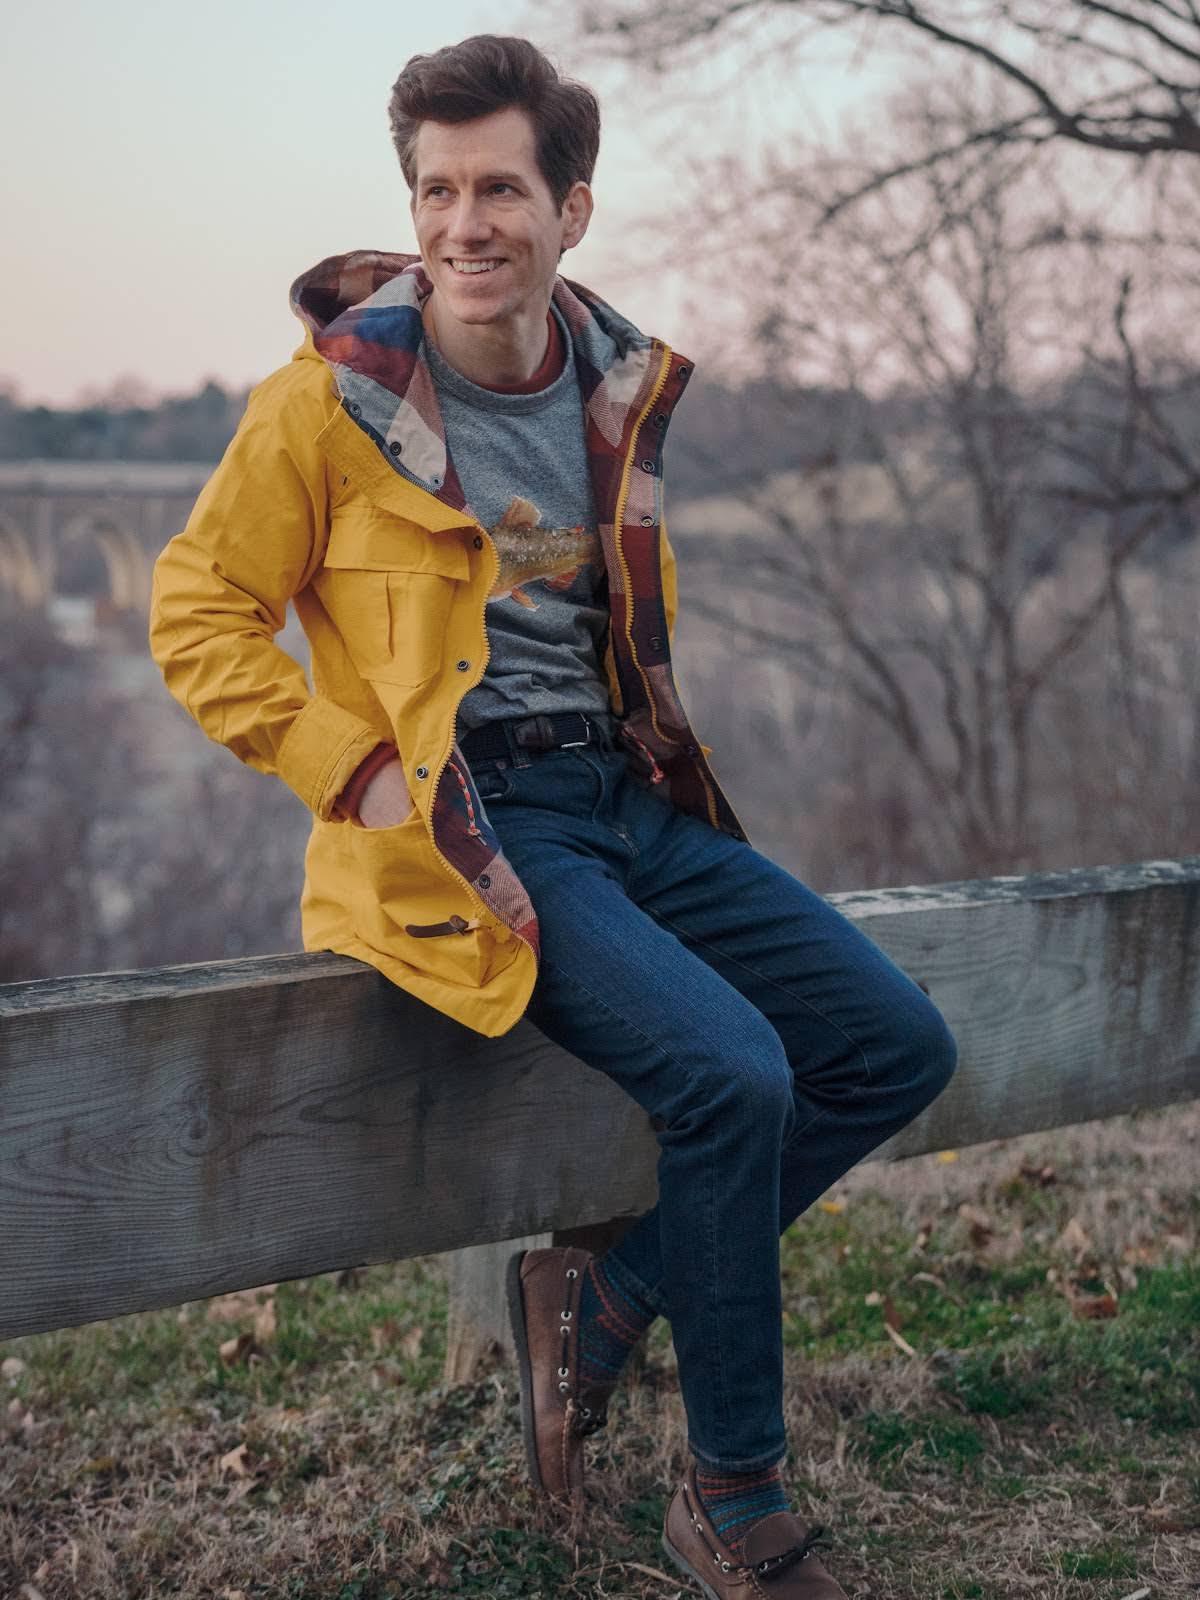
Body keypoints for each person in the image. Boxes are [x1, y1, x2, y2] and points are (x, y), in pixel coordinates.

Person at [148, 34, 958, 1598]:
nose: (464, 223)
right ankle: (732, 1500)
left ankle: (603, 1300)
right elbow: (196, 615)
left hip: (624, 792)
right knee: (731, 1078)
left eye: (500, 187)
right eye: (436, 189)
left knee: (893, 1044)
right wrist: (361, 772)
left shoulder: (616, 379)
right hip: (476, 819)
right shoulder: (324, 409)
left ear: (568, 209)